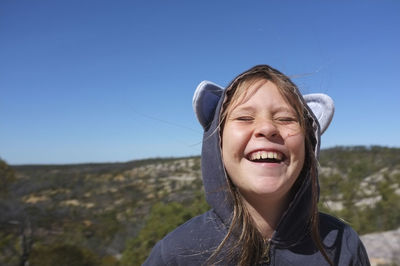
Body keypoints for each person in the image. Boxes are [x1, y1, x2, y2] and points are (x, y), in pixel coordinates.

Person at [144, 65, 370, 265]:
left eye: (285, 119)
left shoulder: (342, 245)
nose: (267, 128)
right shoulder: (178, 253)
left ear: (308, 143)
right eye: (244, 118)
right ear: (217, 142)